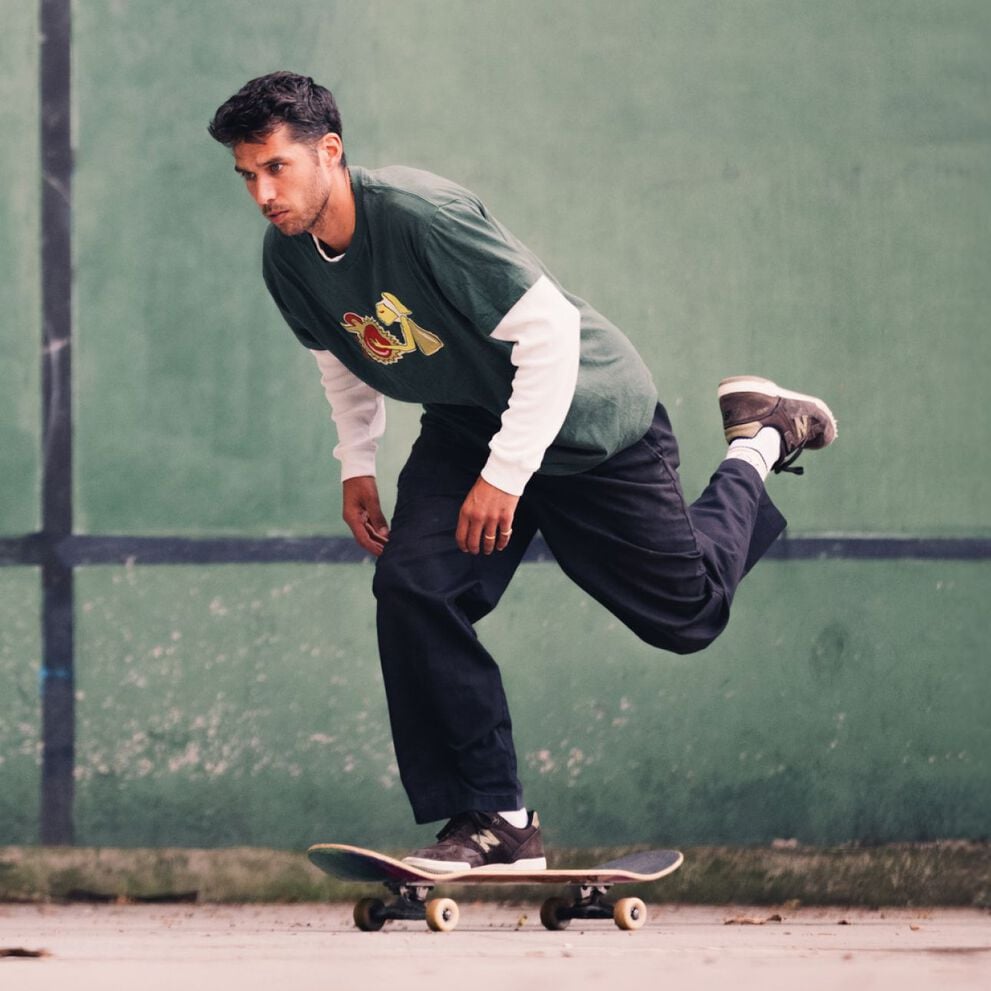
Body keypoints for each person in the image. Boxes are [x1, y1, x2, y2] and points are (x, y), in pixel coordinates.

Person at [208, 71, 836, 873]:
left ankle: (760, 439)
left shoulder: (418, 216)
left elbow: (548, 335)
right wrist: (355, 463)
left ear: (328, 152)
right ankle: (494, 819)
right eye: (246, 176)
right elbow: (343, 355)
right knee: (414, 587)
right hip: (471, 422)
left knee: (686, 614)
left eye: (275, 168)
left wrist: (506, 475)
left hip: (585, 419)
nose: (262, 192)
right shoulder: (287, 257)